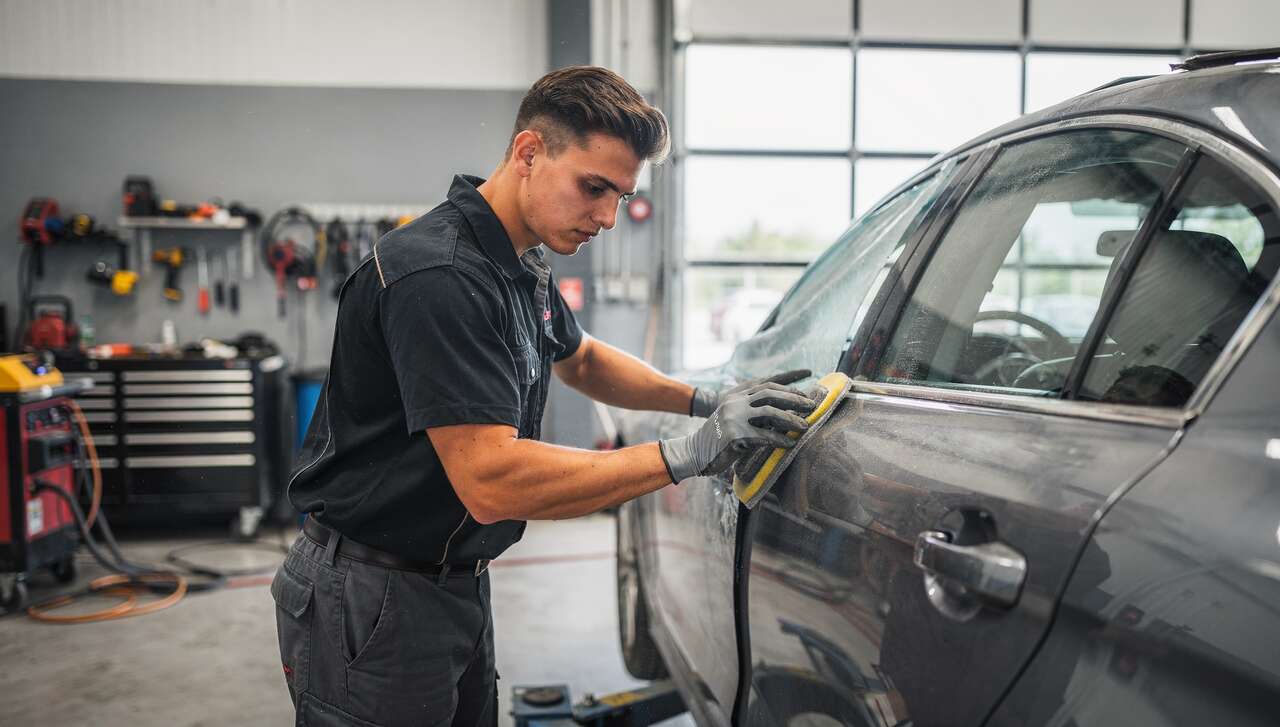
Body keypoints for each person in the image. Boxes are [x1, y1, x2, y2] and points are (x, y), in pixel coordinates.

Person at [270, 65, 817, 727]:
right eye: (594, 188)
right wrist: (690, 452)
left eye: (621, 194)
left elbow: (580, 358)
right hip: (373, 593)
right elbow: (492, 481)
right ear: (529, 152)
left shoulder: (515, 259)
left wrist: (706, 396)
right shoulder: (440, 274)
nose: (610, 217)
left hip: (451, 581)